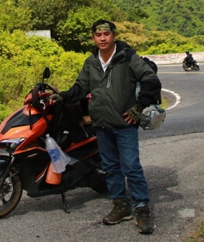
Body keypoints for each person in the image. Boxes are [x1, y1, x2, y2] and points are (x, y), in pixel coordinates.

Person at [53, 19, 160, 235]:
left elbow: (150, 79)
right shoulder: (91, 62)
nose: (102, 38)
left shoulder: (127, 57)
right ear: (94, 38)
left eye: (106, 34)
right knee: (110, 168)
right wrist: (62, 97)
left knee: (131, 167)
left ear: (113, 36)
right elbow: (81, 87)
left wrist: (139, 106)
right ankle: (121, 205)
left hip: (124, 124)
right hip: (101, 125)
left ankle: (141, 208)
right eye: (98, 35)